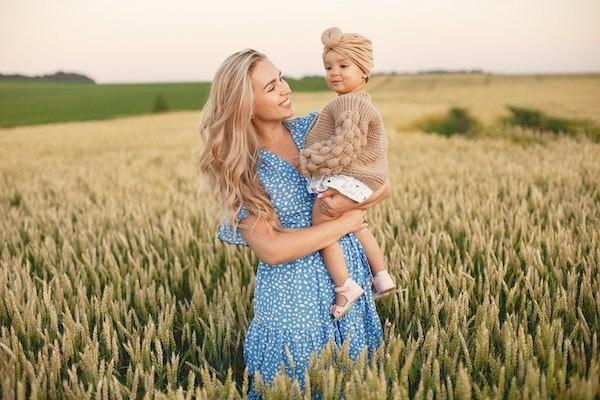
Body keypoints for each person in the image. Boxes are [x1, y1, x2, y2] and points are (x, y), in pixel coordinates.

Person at [198, 48, 391, 397]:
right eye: (271, 87)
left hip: (348, 284)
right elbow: (271, 249)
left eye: (281, 78)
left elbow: (381, 181)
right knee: (294, 387)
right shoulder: (240, 166)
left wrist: (352, 202)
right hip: (293, 303)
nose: (286, 89)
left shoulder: (316, 128)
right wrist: (345, 222)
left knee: (357, 385)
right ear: (245, 103)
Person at [299, 27, 396, 320]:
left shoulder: (348, 103)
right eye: (328, 67)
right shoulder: (359, 101)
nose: (334, 73)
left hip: (351, 176)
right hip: (366, 178)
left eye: (343, 66)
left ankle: (345, 286)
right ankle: (380, 275)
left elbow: (345, 147)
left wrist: (311, 159)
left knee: (321, 225)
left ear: (364, 70)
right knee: (358, 226)